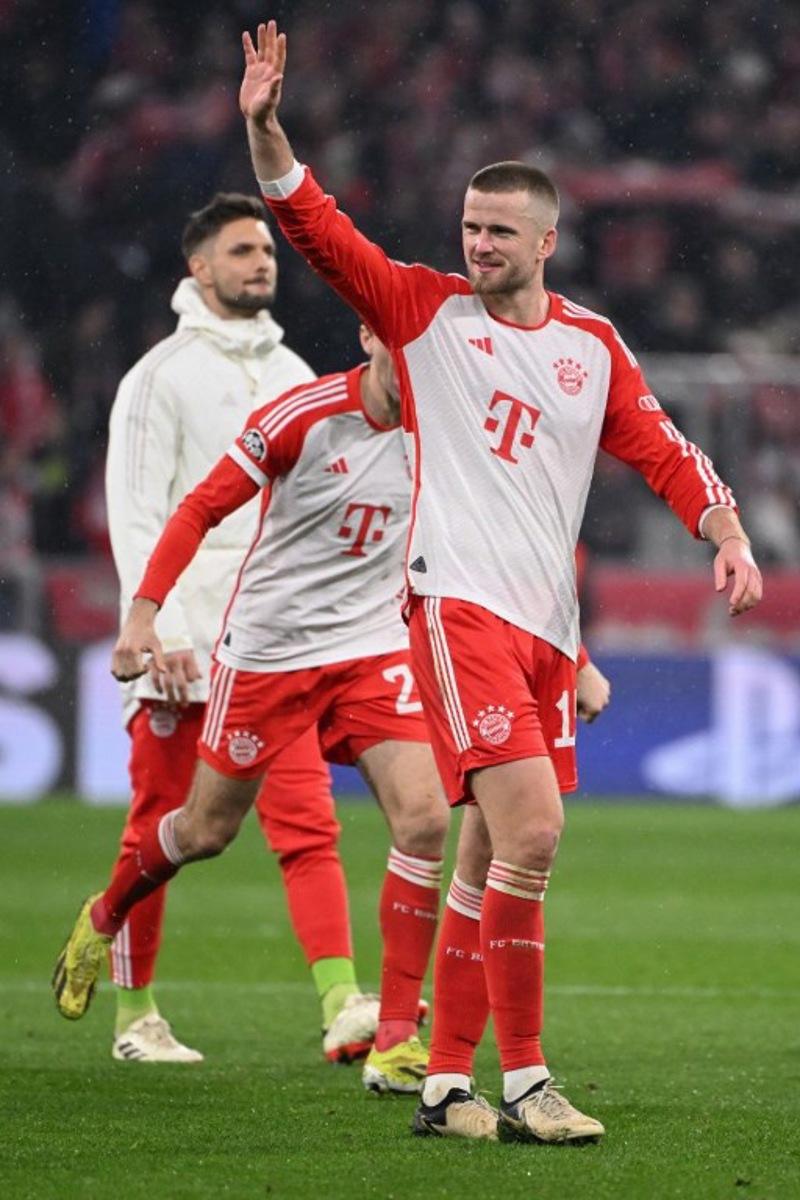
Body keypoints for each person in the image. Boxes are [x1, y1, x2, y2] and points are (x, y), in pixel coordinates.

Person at [235, 21, 763, 1143]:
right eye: (468, 227)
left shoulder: (591, 344)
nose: (476, 244)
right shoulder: (422, 312)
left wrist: (722, 531)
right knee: (532, 832)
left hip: (542, 629)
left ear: (545, 240)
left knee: (487, 853)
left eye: (497, 232)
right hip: (455, 605)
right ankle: (525, 1082)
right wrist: (268, 134)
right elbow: (322, 234)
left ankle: (443, 1084)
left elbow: (666, 450)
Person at [54, 326, 453, 1094]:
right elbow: (200, 509)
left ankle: (394, 1038)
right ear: (367, 336)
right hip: (270, 655)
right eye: (399, 348)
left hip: (370, 648)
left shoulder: (444, 432)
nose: (416, 369)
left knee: (426, 819)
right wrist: (144, 617)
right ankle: (105, 915)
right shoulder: (300, 416)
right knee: (205, 831)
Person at [91, 193, 373, 1064]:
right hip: (182, 648)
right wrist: (162, 628)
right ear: (199, 267)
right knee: (162, 831)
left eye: (269, 251)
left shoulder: (295, 376)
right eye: (242, 250)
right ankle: (133, 1014)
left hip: (271, 645)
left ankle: (342, 1004)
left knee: (308, 825)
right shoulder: (157, 380)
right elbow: (139, 514)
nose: (263, 262)